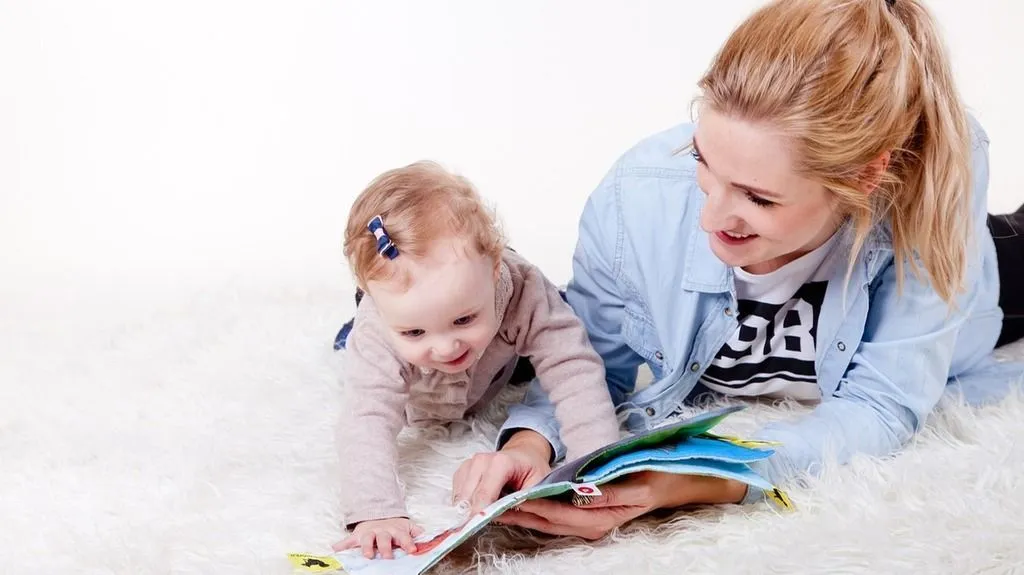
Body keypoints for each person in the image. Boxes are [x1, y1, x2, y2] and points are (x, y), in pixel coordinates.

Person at [450, 0, 1024, 540]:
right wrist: (529, 445)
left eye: (758, 198)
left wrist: (704, 482)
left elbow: (882, 407)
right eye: (704, 159)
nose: (711, 216)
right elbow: (587, 358)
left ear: (868, 180)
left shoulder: (924, 194)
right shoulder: (636, 200)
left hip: (994, 280)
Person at [330, 161, 620, 558]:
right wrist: (375, 512)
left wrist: (599, 464)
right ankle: (359, 328)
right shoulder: (378, 330)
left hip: (495, 362)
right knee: (356, 350)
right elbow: (366, 418)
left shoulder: (520, 287)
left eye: (463, 319)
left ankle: (499, 328)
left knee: (564, 322)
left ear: (495, 266)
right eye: (415, 332)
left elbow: (573, 367)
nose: (447, 348)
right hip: (414, 376)